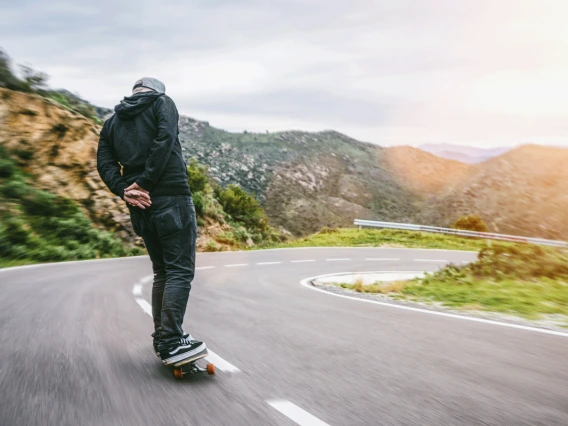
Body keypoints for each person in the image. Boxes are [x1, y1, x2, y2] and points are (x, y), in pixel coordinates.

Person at [96, 77, 206, 365]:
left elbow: (104, 163)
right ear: (158, 92)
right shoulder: (162, 103)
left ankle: (162, 337)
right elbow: (165, 140)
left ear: (135, 92)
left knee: (161, 272)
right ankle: (171, 340)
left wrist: (124, 189)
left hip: (140, 207)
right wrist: (145, 183)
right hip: (172, 199)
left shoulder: (111, 123)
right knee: (179, 272)